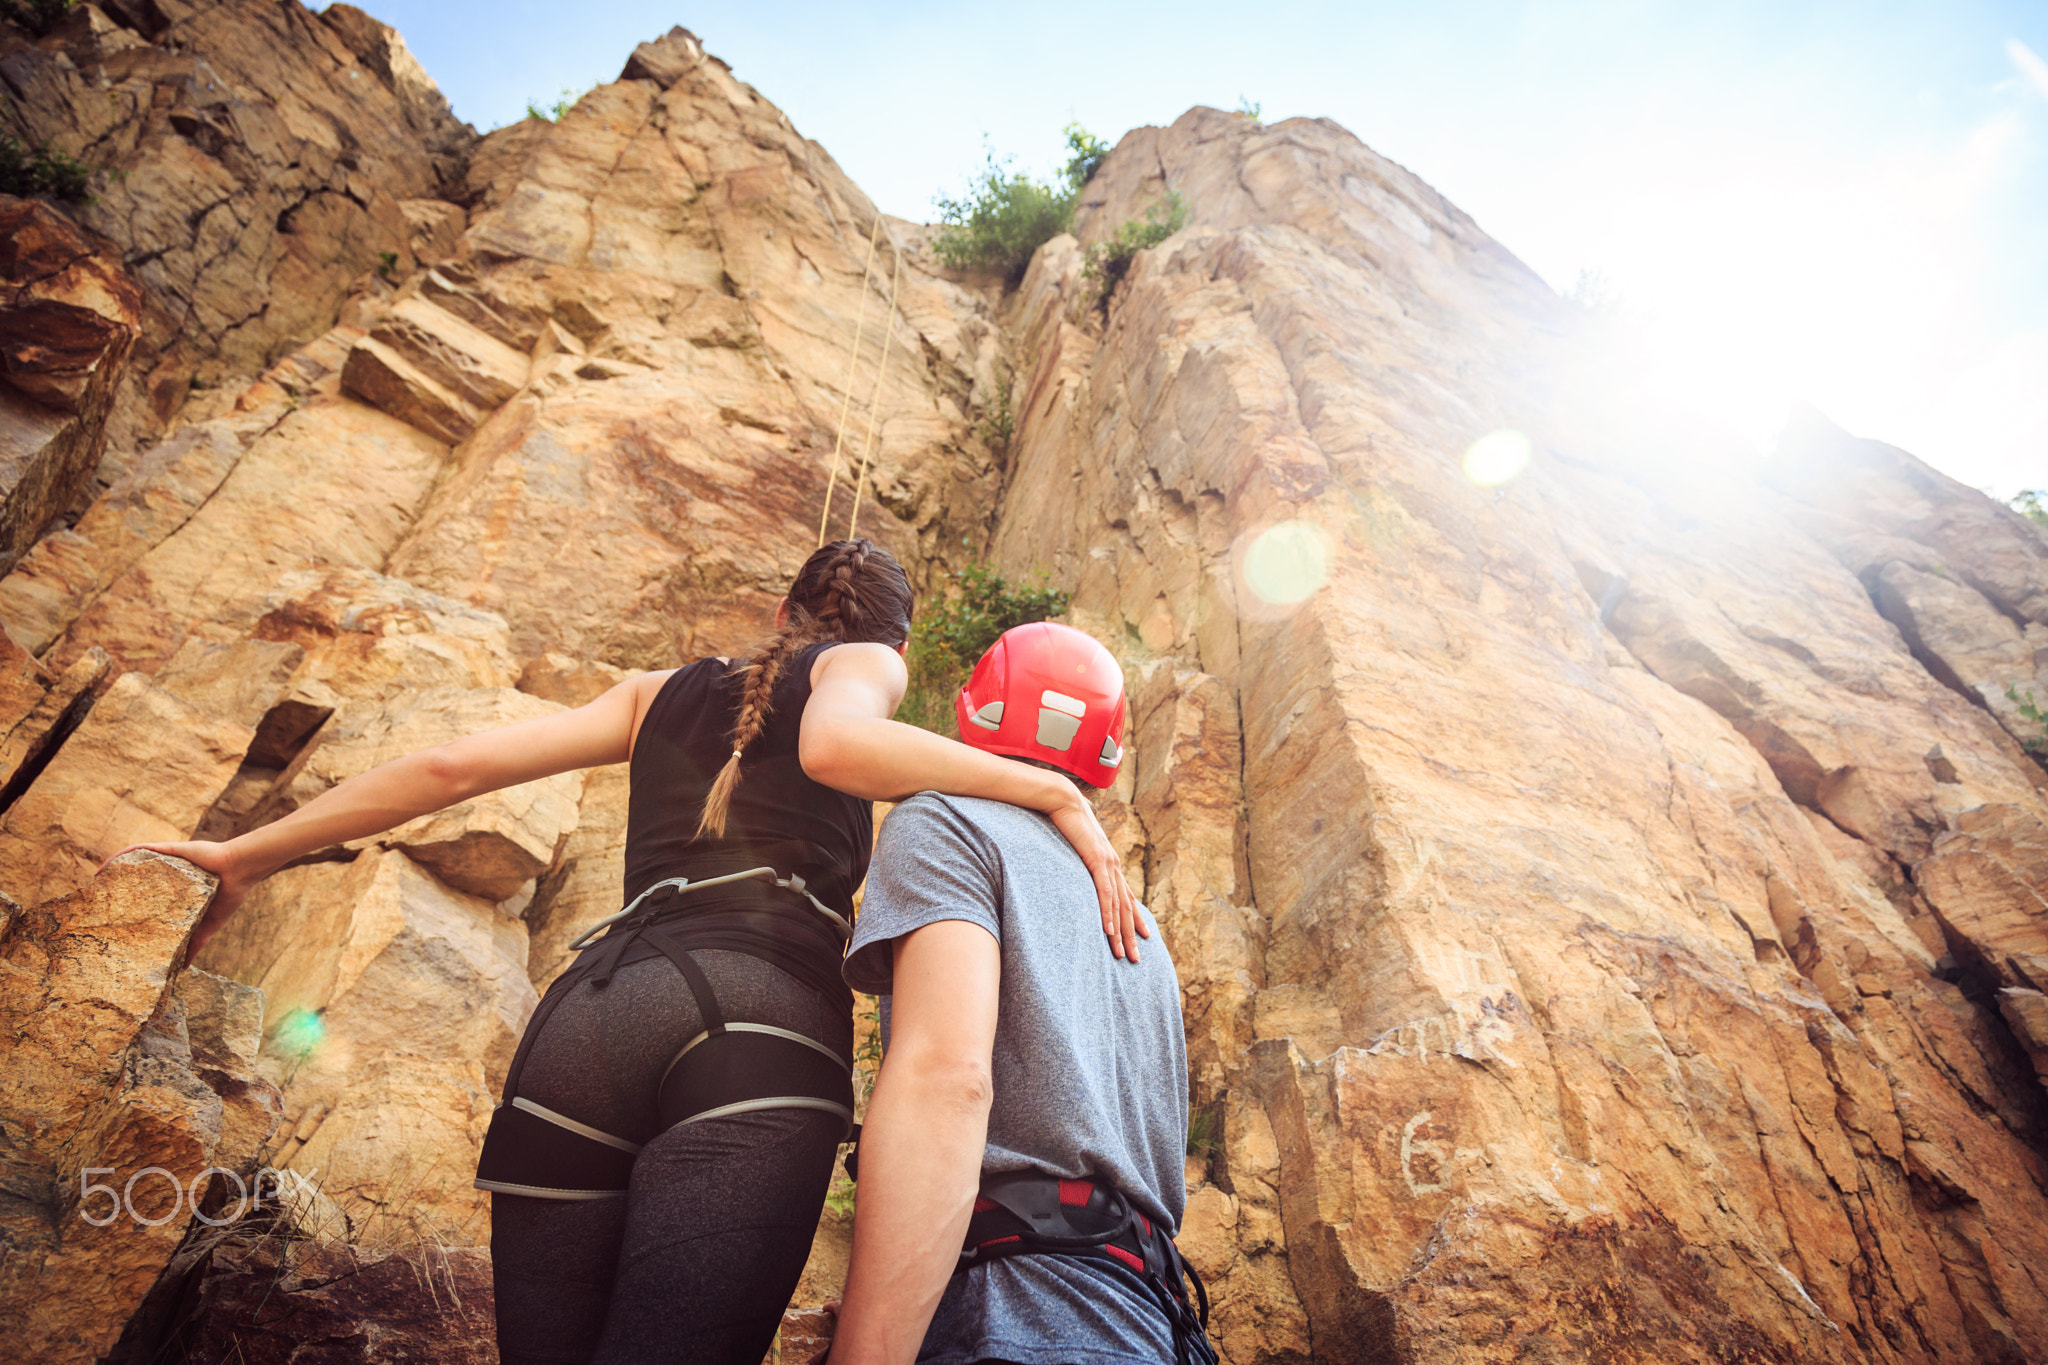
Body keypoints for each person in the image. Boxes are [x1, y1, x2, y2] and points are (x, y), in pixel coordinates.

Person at [120, 540, 1148, 1365]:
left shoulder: (656, 691)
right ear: (892, 642)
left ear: (782, 615)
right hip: (754, 1033)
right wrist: (1048, 788)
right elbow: (834, 747)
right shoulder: (865, 663)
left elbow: (448, 764)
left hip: (588, 1020)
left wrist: (244, 853)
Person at [829, 621, 1215, 1365]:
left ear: (975, 709)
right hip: (1154, 1320)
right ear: (1106, 754)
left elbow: (949, 1079)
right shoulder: (1142, 927)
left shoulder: (946, 823)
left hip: (1021, 1304)